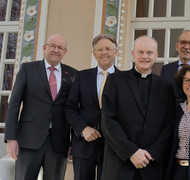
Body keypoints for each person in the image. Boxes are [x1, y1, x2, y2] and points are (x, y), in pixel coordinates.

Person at [100, 35, 176, 180]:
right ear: (133, 54)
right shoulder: (115, 81)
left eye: (149, 52)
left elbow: (169, 125)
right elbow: (108, 121)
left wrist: (152, 153)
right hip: (120, 163)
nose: (145, 56)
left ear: (156, 55)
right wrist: (131, 151)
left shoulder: (166, 87)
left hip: (151, 165)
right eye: (140, 52)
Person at [4, 34, 78, 180]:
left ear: (65, 52)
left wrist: (73, 143)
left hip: (58, 143)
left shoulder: (73, 75)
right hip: (28, 141)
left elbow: (74, 110)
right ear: (44, 48)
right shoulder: (28, 69)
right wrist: (11, 138)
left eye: (60, 48)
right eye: (52, 46)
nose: (56, 50)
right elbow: (14, 104)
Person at [65, 34, 120, 180]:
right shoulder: (82, 76)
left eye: (108, 48)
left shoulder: (124, 80)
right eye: (100, 49)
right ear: (94, 53)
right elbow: (70, 108)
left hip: (113, 147)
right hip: (84, 145)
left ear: (116, 52)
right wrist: (83, 129)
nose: (104, 52)